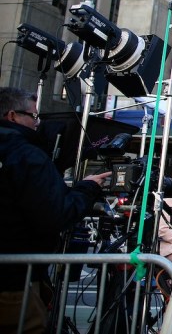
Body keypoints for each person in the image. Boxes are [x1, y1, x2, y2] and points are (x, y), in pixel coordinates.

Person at [0, 87, 111, 333]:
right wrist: (87, 189)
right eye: (33, 116)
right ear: (12, 116)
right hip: (14, 282)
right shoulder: (27, 156)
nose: (37, 123)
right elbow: (57, 213)